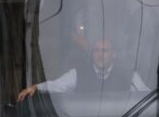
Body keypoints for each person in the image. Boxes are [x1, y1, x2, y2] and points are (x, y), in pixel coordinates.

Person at [17, 38, 148, 102]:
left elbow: (147, 97)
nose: (100, 54)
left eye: (104, 50)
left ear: (114, 54)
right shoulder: (77, 73)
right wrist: (36, 87)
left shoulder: (129, 75)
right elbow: (57, 85)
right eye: (96, 50)